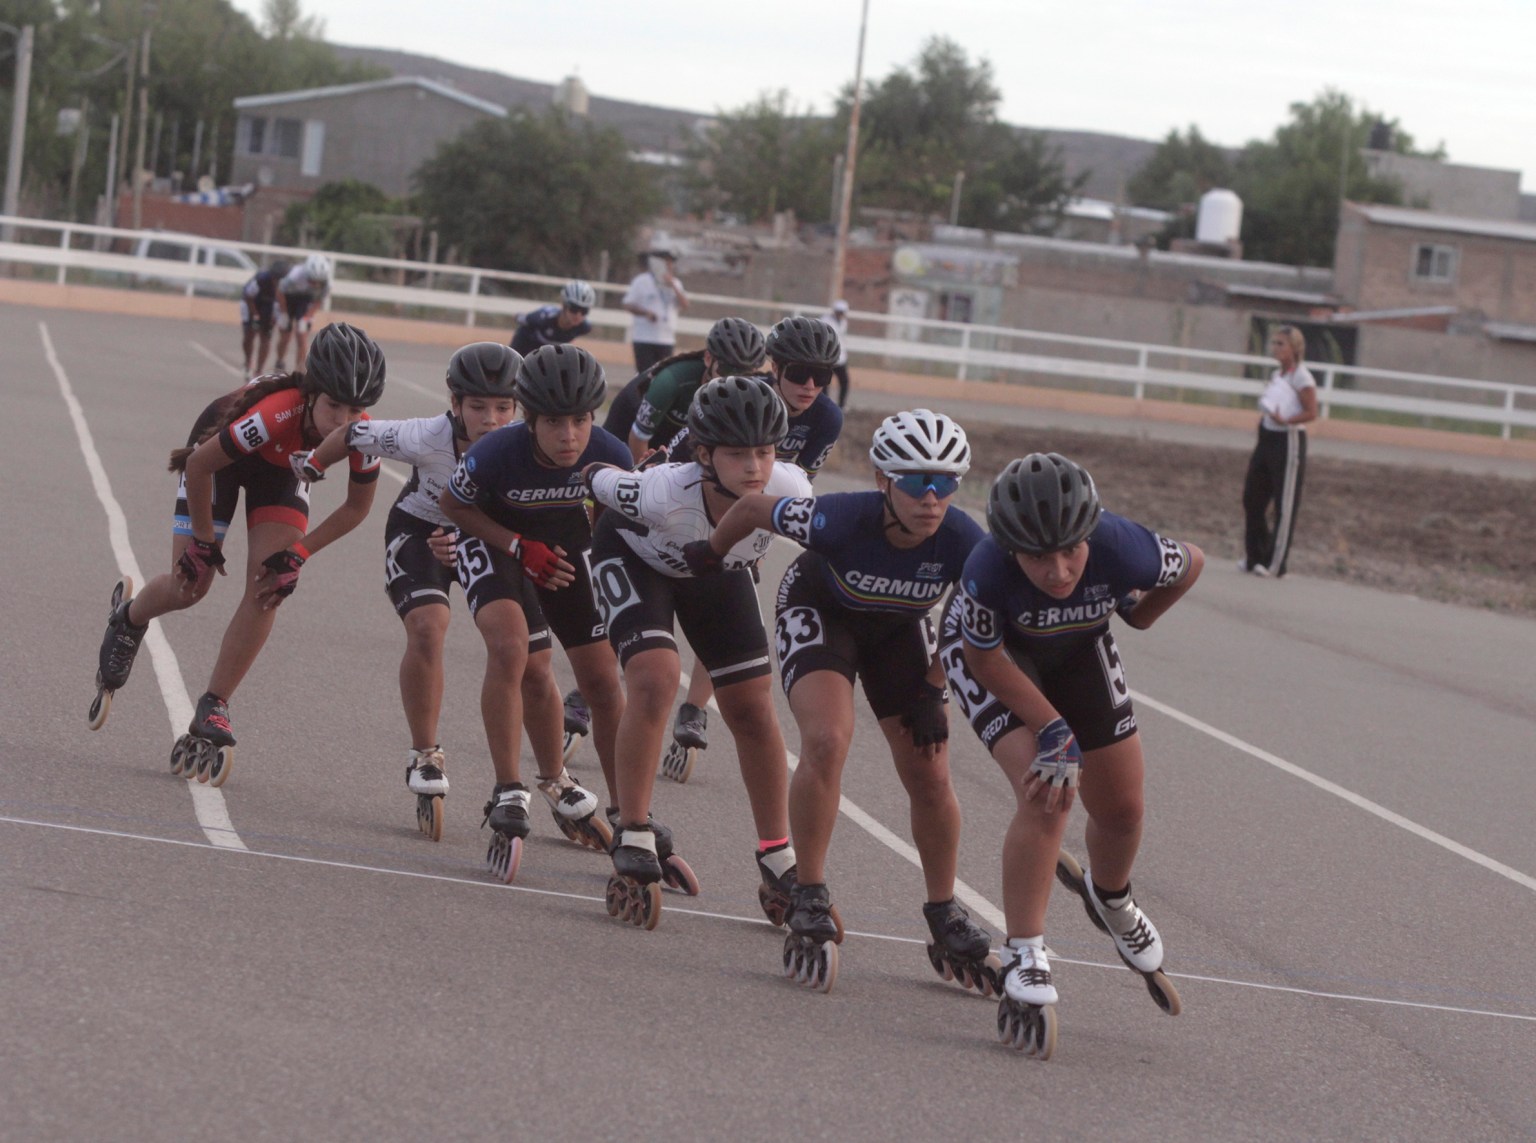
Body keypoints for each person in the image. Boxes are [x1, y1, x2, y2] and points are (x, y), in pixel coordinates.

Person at [690, 409, 993, 995]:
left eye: (945, 483)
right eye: (913, 482)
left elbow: (969, 613)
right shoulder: (839, 517)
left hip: (899, 633)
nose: (931, 498)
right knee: (827, 739)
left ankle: (943, 910)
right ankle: (809, 889)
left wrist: (935, 684)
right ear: (883, 479)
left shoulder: (964, 540)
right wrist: (712, 556)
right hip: (820, 613)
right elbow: (752, 509)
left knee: (930, 769)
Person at [293, 341, 607, 852]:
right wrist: (311, 466)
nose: (490, 418)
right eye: (477, 406)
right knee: (427, 626)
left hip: (491, 539)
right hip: (424, 531)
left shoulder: (526, 442)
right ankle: (425, 753)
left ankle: (555, 777)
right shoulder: (424, 436)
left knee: (534, 662)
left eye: (503, 407)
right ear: (454, 403)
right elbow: (353, 433)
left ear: (520, 408)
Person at [937, 452, 1203, 1055]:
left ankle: (1112, 898)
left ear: (1090, 533)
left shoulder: (1123, 547)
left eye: (1071, 552)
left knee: (1124, 809)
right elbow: (984, 661)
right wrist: (1052, 727)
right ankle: (1025, 952)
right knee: (1049, 791)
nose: (1058, 571)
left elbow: (1191, 565)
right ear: (1010, 549)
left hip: (1079, 648)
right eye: (1037, 557)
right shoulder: (984, 569)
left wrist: (1139, 616)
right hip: (998, 659)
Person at [89, 323, 386, 787]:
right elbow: (199, 464)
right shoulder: (276, 413)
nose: (344, 422)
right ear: (311, 394)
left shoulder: (363, 434)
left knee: (271, 584)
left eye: (356, 410)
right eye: (334, 407)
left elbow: (356, 508)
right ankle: (129, 618)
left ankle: (215, 704)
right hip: (218, 459)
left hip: (280, 473)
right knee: (190, 585)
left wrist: (300, 554)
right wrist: (205, 544)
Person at [582, 375, 812, 930]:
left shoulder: (793, 489)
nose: (756, 466)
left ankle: (776, 850)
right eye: (738, 454)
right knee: (657, 676)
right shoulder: (661, 490)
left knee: (753, 708)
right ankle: (633, 827)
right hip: (635, 557)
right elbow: (596, 478)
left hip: (717, 571)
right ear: (704, 454)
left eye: (765, 451)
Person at [437, 344, 631, 880]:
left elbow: (628, 524)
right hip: (495, 541)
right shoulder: (496, 453)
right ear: (528, 418)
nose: (569, 436)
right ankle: (507, 788)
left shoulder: (612, 452)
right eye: (553, 422)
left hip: (566, 551)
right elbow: (453, 506)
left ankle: (629, 814)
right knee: (510, 648)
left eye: (580, 421)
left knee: (602, 680)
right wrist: (518, 546)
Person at [562, 316, 767, 773]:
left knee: (729, 588)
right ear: (710, 360)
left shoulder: (754, 401)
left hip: (715, 478)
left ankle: (694, 709)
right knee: (629, 567)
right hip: (637, 458)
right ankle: (593, 684)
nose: (739, 379)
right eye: (730, 368)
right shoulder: (673, 382)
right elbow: (635, 453)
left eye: (750, 374)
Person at [1241, 324, 1317, 578]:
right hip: (1267, 437)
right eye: (1274, 343)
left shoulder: (1302, 377)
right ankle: (1255, 555)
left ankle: (1275, 562)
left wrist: (1287, 420)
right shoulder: (1278, 375)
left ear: (1294, 348)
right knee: (1252, 497)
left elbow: (1311, 412)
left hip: (1288, 440)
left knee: (1284, 503)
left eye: (1281, 344)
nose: (1275, 348)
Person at [621, 247, 688, 374]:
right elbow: (628, 304)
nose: (669, 266)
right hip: (644, 337)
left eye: (671, 262)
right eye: (666, 262)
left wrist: (673, 286)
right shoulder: (642, 281)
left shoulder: (676, 283)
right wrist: (645, 313)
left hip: (666, 339)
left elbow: (685, 304)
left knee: (663, 375)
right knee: (644, 374)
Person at [273, 253, 333, 372]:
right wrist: (284, 313)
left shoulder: (326, 284)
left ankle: (299, 369)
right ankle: (279, 362)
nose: (315, 284)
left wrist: (307, 317)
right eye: (311, 280)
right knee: (285, 335)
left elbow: (318, 301)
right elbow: (280, 293)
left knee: (302, 335)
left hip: (305, 302)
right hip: (288, 299)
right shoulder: (295, 276)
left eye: (318, 282)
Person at [510, 280, 596, 357]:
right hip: (523, 348)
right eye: (574, 308)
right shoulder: (543, 318)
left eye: (584, 311)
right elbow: (519, 318)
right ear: (564, 305)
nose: (578, 315)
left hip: (547, 355)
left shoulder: (584, 327)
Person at [238, 259, 291, 379]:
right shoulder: (260, 280)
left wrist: (275, 318)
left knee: (266, 337)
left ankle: (258, 370)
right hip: (252, 302)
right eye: (275, 279)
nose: (277, 283)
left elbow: (283, 304)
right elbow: (248, 297)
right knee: (250, 334)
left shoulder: (288, 286)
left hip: (270, 305)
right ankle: (247, 362)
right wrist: (256, 315)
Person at [825, 299, 852, 408]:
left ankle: (841, 405)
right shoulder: (826, 321)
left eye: (842, 312)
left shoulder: (843, 322)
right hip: (828, 358)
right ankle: (825, 405)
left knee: (844, 382)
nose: (841, 314)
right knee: (824, 383)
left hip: (840, 358)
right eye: (839, 311)